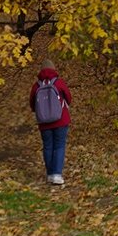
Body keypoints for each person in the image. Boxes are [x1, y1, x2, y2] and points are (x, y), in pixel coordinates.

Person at [29, 58, 72, 186]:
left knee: (48, 147)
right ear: (54, 69)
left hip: (44, 123)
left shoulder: (36, 86)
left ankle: (49, 174)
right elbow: (69, 98)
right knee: (59, 146)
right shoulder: (59, 83)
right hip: (61, 120)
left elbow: (32, 104)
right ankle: (57, 174)